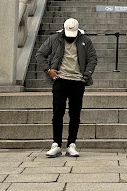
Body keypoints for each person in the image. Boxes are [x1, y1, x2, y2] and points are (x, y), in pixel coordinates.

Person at [36, 17, 97, 158]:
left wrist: (86, 76)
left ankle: (71, 144)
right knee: (58, 113)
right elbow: (40, 54)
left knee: (75, 114)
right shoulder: (54, 39)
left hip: (77, 81)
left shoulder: (85, 40)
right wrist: (48, 70)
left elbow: (92, 58)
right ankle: (56, 144)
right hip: (60, 80)